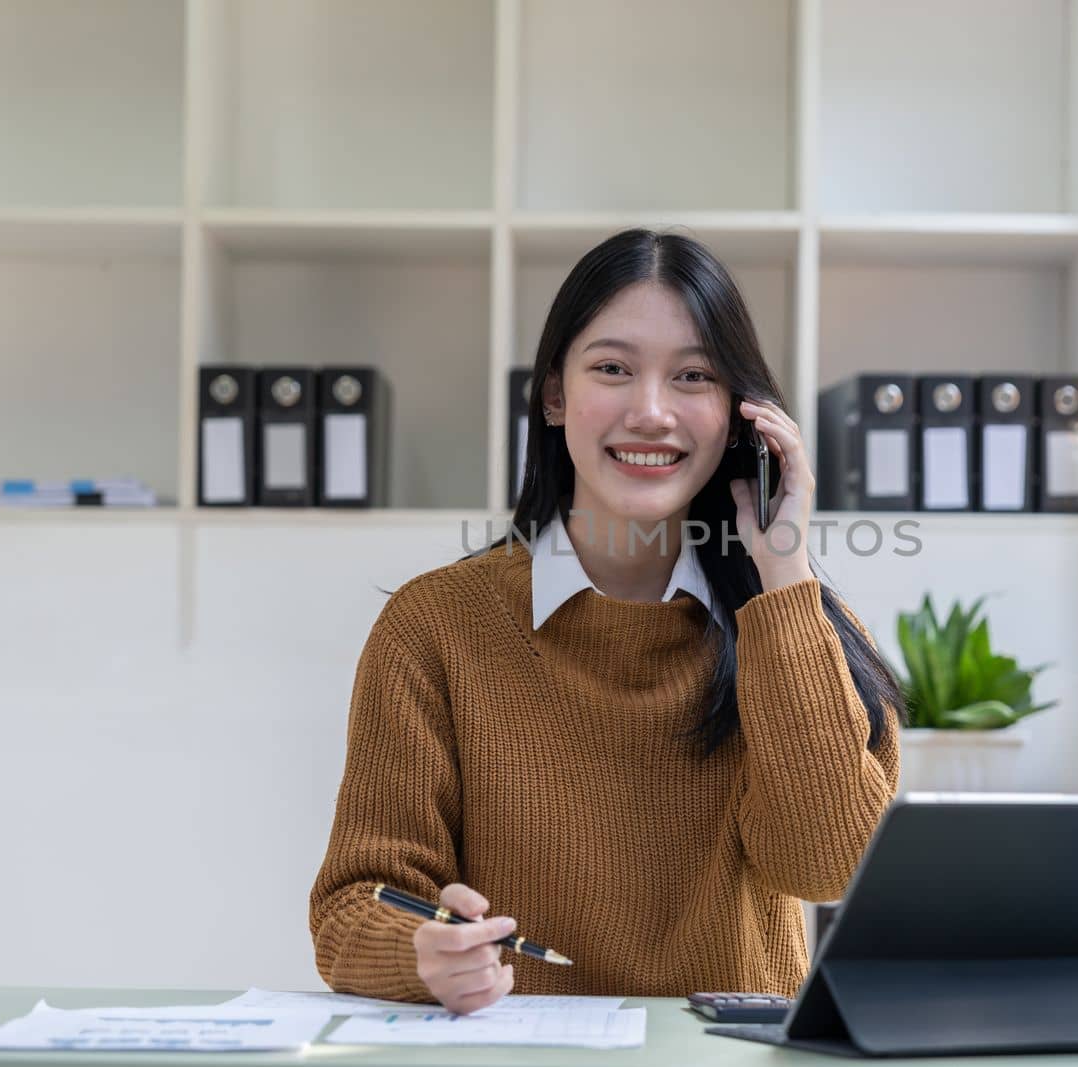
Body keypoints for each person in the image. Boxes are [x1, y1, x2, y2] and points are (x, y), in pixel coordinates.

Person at [308, 228, 902, 1014]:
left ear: (739, 417)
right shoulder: (437, 626)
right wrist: (422, 953)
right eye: (613, 369)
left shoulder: (792, 630)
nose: (650, 412)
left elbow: (826, 864)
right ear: (555, 395)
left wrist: (782, 566)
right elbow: (353, 903)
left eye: (693, 375)